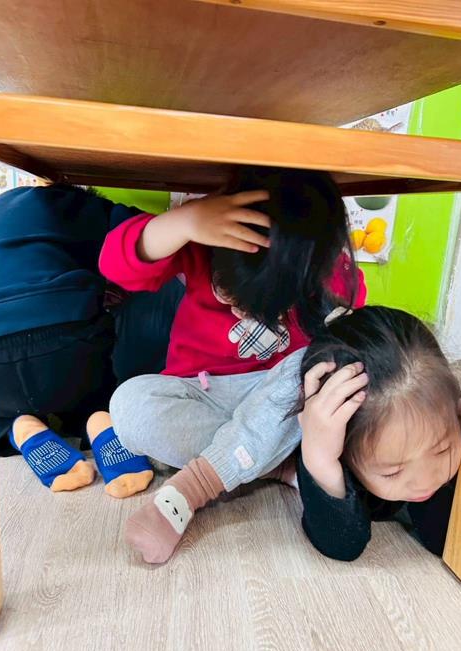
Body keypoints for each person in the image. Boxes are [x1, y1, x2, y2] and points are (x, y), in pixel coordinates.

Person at [99, 166, 367, 563]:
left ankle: (200, 482)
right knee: (128, 407)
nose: (241, 311)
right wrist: (185, 222)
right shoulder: (201, 240)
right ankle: (272, 464)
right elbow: (115, 265)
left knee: (323, 361)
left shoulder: (318, 269)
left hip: (280, 399)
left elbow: (354, 319)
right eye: (229, 294)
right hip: (205, 394)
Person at [0, 183, 183, 494]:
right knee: (92, 380)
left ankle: (18, 428)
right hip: (66, 340)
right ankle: (101, 417)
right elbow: (140, 231)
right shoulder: (64, 203)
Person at [295, 306, 461, 560]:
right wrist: (320, 461)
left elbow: (447, 537)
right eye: (392, 472)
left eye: (442, 449)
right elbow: (342, 545)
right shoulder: (327, 442)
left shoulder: (445, 413)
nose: (425, 481)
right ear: (343, 452)